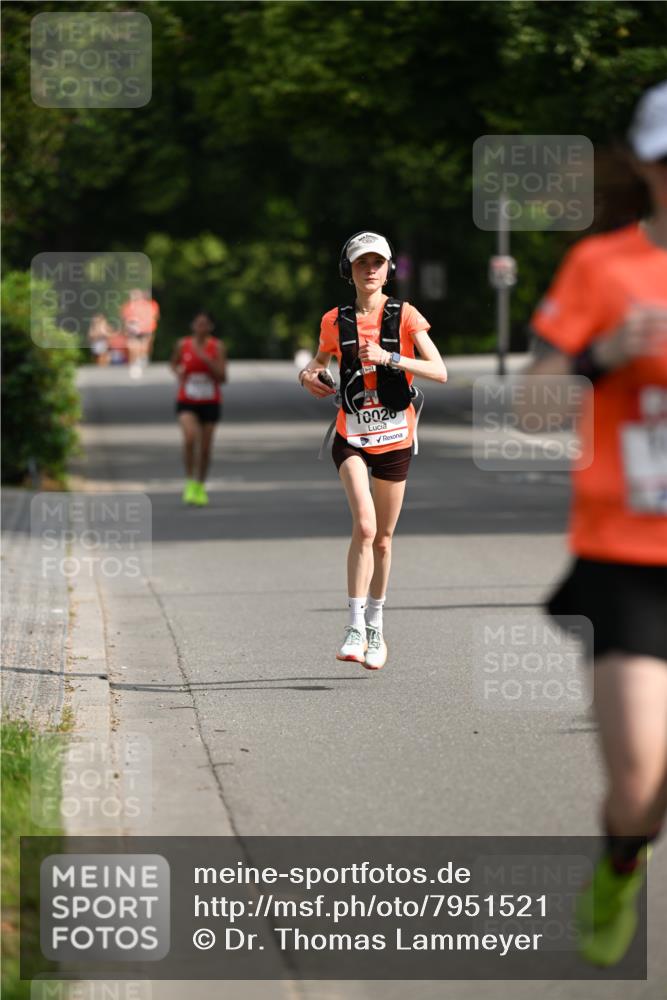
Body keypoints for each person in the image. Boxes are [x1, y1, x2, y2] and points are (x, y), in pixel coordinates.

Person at [525, 81, 667, 966]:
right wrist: (596, 354)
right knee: (639, 779)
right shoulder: (600, 269)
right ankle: (621, 863)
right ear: (647, 166)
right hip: (628, 558)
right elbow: (535, 407)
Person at [299, 231, 447, 669]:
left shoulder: (404, 315)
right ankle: (353, 626)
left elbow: (439, 371)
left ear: (389, 269)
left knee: (383, 539)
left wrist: (389, 359)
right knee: (364, 527)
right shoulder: (334, 320)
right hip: (351, 437)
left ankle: (377, 627)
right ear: (349, 270)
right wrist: (308, 378)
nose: (371, 270)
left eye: (378, 262)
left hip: (396, 438)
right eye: (362, 263)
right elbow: (317, 364)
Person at [170, 310, 227, 506]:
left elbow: (223, 377)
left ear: (210, 327)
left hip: (210, 401)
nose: (201, 327)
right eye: (197, 323)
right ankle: (189, 481)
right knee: (189, 437)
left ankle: (200, 485)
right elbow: (174, 364)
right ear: (192, 326)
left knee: (205, 448)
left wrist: (208, 361)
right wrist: (179, 372)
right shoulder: (182, 344)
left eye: (205, 324)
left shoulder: (217, 347)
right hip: (187, 399)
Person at [121, 288, 160, 377]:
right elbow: (125, 318)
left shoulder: (148, 305)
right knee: (133, 346)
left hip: (145, 329)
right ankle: (135, 362)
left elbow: (153, 316)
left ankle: (141, 359)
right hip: (134, 329)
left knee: (143, 345)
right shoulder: (128, 306)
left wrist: (147, 326)